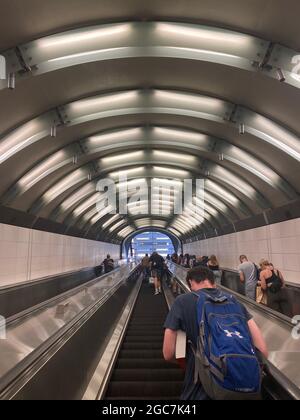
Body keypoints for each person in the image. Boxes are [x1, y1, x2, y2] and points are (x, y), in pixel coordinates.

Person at [163, 266, 268, 400]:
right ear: (214, 281)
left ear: (190, 282)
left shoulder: (183, 301)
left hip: (201, 389)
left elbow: (168, 353)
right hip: (248, 390)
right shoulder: (235, 302)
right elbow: (262, 350)